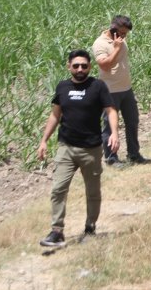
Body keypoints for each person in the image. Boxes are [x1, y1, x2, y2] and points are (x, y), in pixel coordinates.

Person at [37, 49, 120, 247]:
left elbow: (110, 110)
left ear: (89, 67)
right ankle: (57, 231)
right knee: (58, 189)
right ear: (69, 67)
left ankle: (90, 226)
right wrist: (43, 140)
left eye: (84, 65)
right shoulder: (63, 87)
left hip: (91, 149)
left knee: (92, 191)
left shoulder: (98, 86)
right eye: (76, 66)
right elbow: (55, 115)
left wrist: (115, 133)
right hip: (66, 147)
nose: (80, 69)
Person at [92, 15, 151, 166]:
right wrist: (117, 48)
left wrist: (119, 43)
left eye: (126, 34)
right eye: (122, 33)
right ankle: (111, 157)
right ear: (113, 28)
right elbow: (104, 65)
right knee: (110, 125)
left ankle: (133, 154)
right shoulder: (100, 44)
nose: (124, 36)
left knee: (132, 121)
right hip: (110, 91)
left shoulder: (119, 38)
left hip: (126, 88)